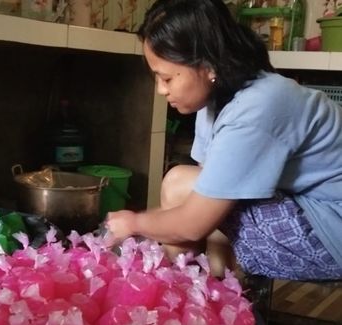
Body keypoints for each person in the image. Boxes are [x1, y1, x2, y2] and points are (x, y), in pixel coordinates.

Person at [106, 0, 342, 281]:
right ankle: (210, 294)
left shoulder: (260, 104)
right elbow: (210, 187)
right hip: (308, 208)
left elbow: (193, 223)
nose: (160, 90)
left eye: (166, 78)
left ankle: (192, 296)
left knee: (180, 185)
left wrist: (134, 223)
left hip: (332, 228)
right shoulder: (218, 99)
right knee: (196, 188)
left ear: (207, 65)